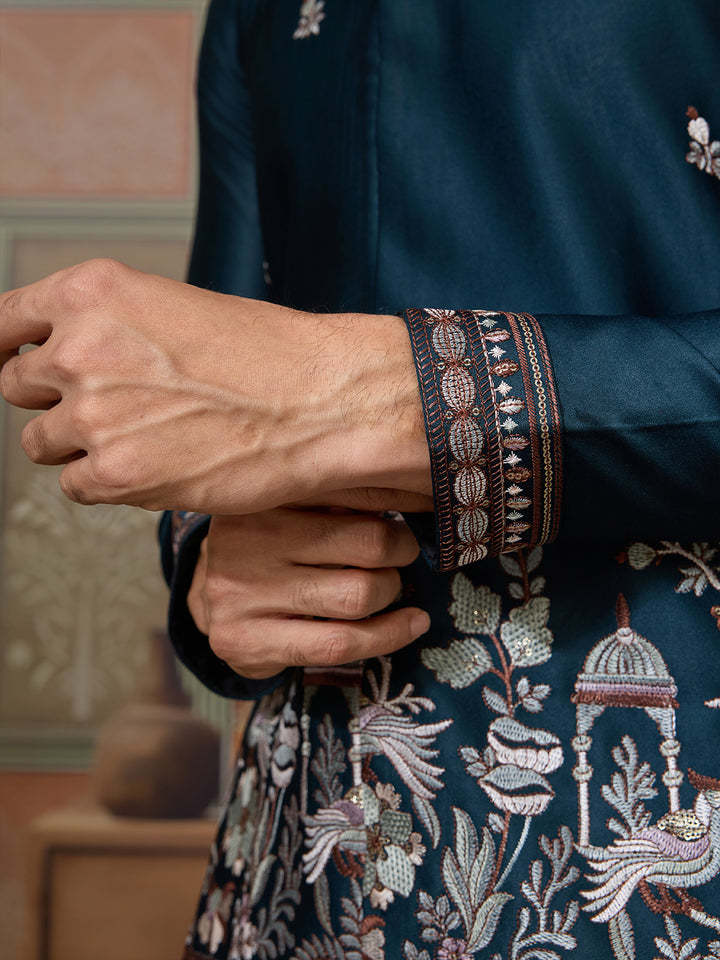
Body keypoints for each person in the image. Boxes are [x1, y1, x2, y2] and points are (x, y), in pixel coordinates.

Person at [2, 0, 720, 957]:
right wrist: (215, 570)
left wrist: (367, 395)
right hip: (307, 856)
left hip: (653, 838)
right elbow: (225, 378)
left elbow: (281, 387)